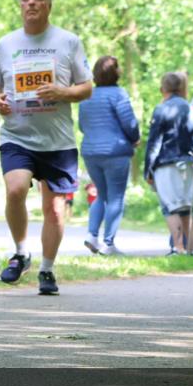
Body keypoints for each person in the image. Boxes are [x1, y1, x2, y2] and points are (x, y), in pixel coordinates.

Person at [0, 0, 93, 295]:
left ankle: (47, 269)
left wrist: (62, 92)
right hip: (17, 135)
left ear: (49, 4)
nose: (31, 2)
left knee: (55, 209)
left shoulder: (68, 41)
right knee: (15, 190)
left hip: (57, 141)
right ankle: (20, 253)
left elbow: (87, 87)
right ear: (20, 4)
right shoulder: (6, 44)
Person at [78, 55, 140, 255]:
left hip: (90, 152)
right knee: (116, 197)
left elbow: (82, 125)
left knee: (101, 194)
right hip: (115, 152)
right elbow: (129, 123)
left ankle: (91, 235)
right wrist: (134, 138)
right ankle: (108, 244)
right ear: (116, 73)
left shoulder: (87, 95)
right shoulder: (118, 94)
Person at [144, 72, 193, 255]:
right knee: (187, 206)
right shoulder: (191, 108)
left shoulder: (161, 109)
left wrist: (148, 170)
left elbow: (154, 142)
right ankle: (192, 248)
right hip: (188, 162)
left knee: (170, 207)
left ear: (162, 89)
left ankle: (178, 247)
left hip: (166, 164)